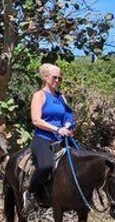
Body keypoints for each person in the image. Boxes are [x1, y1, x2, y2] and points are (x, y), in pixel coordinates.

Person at [24, 63, 76, 214]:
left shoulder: (61, 97)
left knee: (83, 162)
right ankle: (31, 193)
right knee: (46, 166)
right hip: (43, 138)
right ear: (46, 78)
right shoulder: (39, 95)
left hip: (62, 139)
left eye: (60, 78)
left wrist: (67, 125)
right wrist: (57, 129)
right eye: (55, 77)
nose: (58, 81)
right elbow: (36, 120)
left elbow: (68, 115)